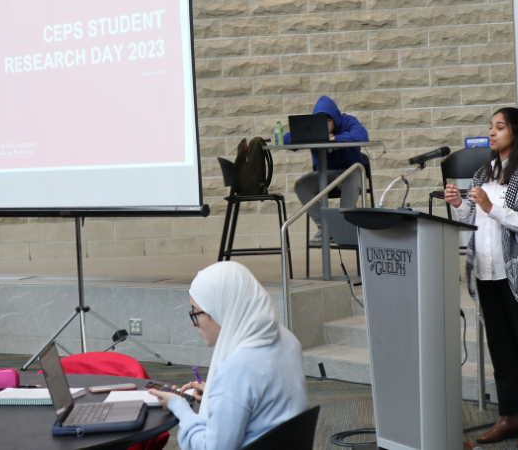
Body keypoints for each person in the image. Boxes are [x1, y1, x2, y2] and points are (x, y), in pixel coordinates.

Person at [444, 107, 518, 449]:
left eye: (499, 127)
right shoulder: (484, 172)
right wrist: (458, 205)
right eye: (490, 127)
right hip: (487, 272)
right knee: (501, 348)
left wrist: (494, 209)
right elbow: (473, 219)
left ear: (517, 132)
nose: (491, 133)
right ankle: (508, 417)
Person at [149, 262, 308, 450]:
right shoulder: (286, 338)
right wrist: (217, 395)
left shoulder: (236, 369)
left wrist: (180, 408)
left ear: (220, 309)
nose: (193, 323)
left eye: (196, 312)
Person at [283, 95, 368, 243]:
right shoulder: (312, 126)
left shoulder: (347, 121)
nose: (323, 125)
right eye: (320, 122)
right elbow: (286, 139)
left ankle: (343, 227)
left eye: (327, 121)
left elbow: (362, 135)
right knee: (301, 185)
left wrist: (336, 138)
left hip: (349, 171)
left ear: (335, 118)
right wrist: (310, 135)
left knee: (353, 178)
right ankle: (325, 229)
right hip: (323, 174)